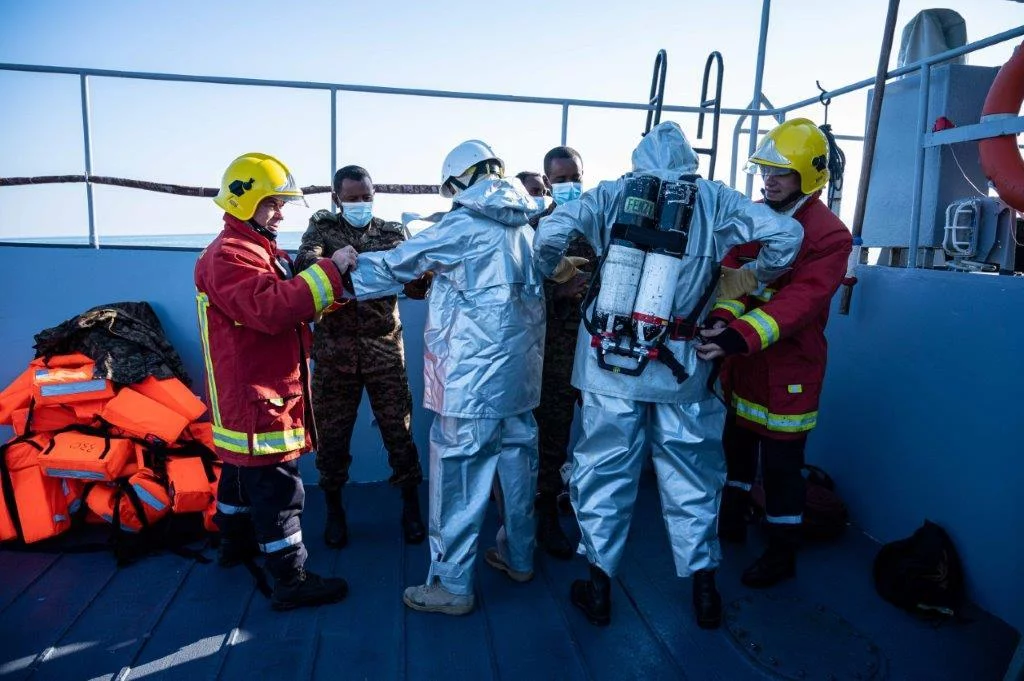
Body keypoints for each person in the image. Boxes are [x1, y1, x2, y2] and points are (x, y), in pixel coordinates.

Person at [531, 121, 803, 629]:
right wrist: (750, 277)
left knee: (602, 475)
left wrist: (559, 272)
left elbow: (547, 233)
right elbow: (787, 234)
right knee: (693, 478)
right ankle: (704, 594)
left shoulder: (613, 194)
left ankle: (598, 590)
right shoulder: (715, 199)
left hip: (609, 364)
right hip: (682, 365)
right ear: (689, 163)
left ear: (640, 161)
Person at [339, 140, 582, 615]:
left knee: (458, 482)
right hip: (519, 382)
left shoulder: (461, 225)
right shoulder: (525, 227)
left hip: (469, 385)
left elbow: (394, 266)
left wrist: (342, 266)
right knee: (517, 469)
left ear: (458, 183)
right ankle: (518, 557)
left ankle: (451, 585)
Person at [697, 118, 853, 588]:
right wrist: (723, 320)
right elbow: (734, 275)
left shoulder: (829, 235)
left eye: (781, 173)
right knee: (736, 449)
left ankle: (783, 554)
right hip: (746, 366)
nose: (770, 180)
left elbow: (799, 302)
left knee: (783, 468)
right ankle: (732, 522)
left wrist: (735, 335)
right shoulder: (756, 217)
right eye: (766, 170)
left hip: (790, 371)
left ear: (811, 175)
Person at [195, 152, 353, 611]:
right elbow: (271, 310)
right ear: (245, 203)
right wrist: (333, 270)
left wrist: (327, 292)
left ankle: (235, 546)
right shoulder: (229, 257)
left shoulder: (255, 250)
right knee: (279, 487)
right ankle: (290, 578)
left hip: (252, 391)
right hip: (257, 394)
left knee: (240, 480)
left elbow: (290, 300)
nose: (281, 212)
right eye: (272, 203)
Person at [294, 165, 430, 549]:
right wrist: (333, 261)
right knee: (332, 438)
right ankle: (335, 511)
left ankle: (410, 508)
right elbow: (302, 266)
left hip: (383, 347)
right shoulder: (321, 229)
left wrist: (423, 275)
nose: (360, 204)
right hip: (334, 352)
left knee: (398, 432)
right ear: (337, 199)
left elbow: (417, 286)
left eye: (366, 197)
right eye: (352, 198)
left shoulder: (390, 233)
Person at [530, 146, 595, 560]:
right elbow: (521, 291)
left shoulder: (603, 223)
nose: (570, 185)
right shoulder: (535, 226)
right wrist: (560, 291)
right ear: (548, 181)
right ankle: (546, 518)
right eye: (561, 179)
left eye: (575, 177)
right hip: (554, 354)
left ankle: (593, 515)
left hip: (600, 353)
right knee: (550, 440)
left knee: (603, 439)